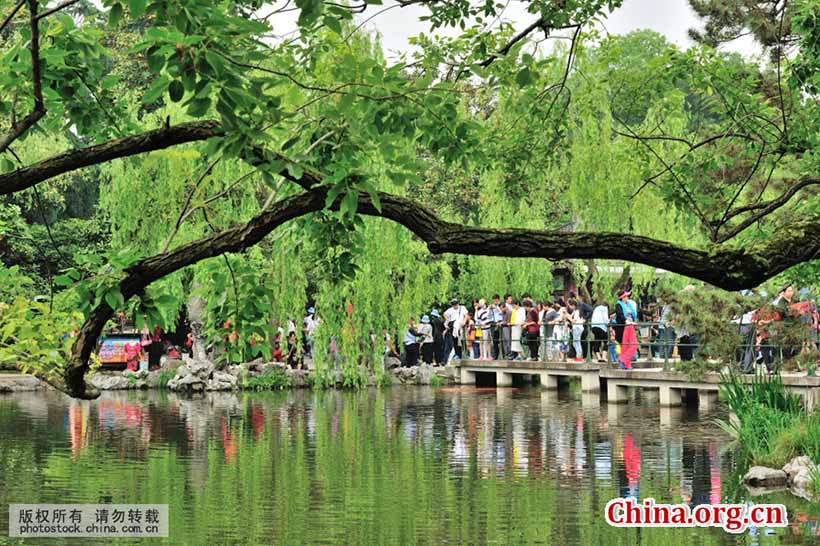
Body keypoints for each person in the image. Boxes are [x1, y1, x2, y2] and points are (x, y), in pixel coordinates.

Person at [615, 290, 638, 370]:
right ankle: (626, 363)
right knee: (626, 346)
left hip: (630, 326)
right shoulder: (618, 305)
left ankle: (624, 361)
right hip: (623, 327)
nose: (627, 298)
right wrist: (626, 321)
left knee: (632, 345)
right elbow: (620, 314)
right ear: (622, 297)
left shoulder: (629, 305)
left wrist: (633, 322)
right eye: (625, 296)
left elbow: (633, 315)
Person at [489, 295, 503, 359]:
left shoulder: (501, 305)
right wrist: (490, 309)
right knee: (494, 340)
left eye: (496, 300)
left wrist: (497, 307)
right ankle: (495, 355)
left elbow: (502, 312)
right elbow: (488, 316)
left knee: (501, 340)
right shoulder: (490, 306)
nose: (495, 301)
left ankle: (503, 354)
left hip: (500, 322)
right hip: (493, 323)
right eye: (494, 300)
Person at [501, 294, 513, 359]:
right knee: (506, 340)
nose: (511, 300)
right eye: (510, 298)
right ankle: (507, 353)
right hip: (505, 326)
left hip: (509, 326)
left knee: (509, 340)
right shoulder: (505, 306)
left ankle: (510, 353)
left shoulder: (511, 306)